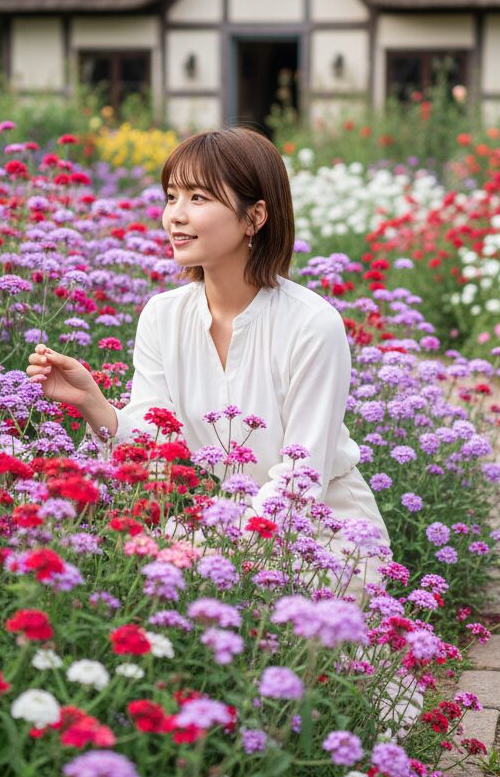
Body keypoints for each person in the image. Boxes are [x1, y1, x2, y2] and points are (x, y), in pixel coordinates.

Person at [26, 126, 390, 582]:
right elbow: (156, 445)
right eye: (171, 196)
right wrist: (93, 403)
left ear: (254, 216)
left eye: (198, 198)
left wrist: (206, 548)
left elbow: (301, 481)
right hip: (222, 531)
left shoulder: (312, 324)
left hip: (326, 541)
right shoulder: (163, 315)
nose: (175, 216)